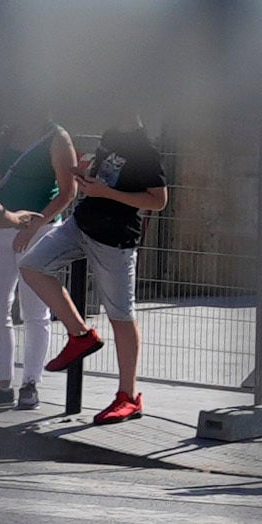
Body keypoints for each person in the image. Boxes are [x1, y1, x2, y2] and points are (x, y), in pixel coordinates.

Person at [0, 120, 85, 414]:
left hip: (39, 230)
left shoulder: (58, 138)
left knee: (34, 310)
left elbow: (67, 192)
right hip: (1, 226)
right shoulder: (5, 130)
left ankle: (31, 382)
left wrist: (34, 226)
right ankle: (0, 382)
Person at [65, 125, 173, 426]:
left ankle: (128, 396)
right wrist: (87, 178)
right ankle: (80, 335)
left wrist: (106, 192)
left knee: (121, 316)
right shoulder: (109, 137)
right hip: (85, 224)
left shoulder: (144, 151)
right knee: (33, 265)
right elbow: (104, 180)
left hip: (118, 239)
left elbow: (158, 201)